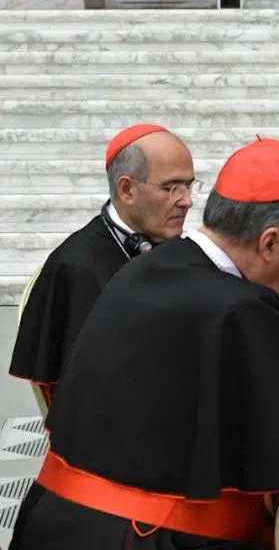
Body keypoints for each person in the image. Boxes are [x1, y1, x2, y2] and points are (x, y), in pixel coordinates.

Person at [11, 137, 279, 550]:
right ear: (270, 241)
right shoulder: (234, 307)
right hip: (145, 536)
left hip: (54, 521)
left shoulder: (151, 267)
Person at [10, 124, 195, 404]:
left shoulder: (179, 247)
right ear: (127, 190)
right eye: (171, 188)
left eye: (189, 185)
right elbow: (90, 395)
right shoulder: (77, 269)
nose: (187, 201)